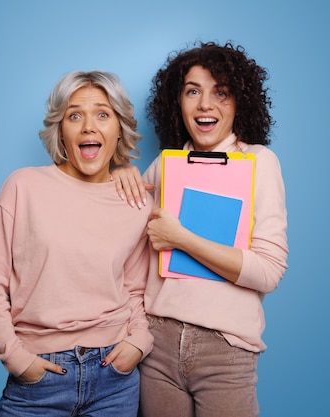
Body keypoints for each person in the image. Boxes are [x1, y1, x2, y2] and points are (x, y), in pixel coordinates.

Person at [111, 41, 289, 417]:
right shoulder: (164, 165)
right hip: (156, 345)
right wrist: (122, 174)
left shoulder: (259, 162)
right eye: (193, 91)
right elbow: (117, 240)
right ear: (178, 102)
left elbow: (269, 272)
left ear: (239, 102)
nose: (205, 104)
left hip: (225, 350)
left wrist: (182, 239)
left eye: (220, 92)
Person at [0, 70, 154, 417]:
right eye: (75, 116)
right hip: (38, 377)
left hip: (115, 377)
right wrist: (17, 359)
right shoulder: (22, 187)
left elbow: (135, 290)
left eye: (103, 114)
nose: (89, 127)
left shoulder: (137, 201)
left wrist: (139, 343)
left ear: (119, 128)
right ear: (61, 130)